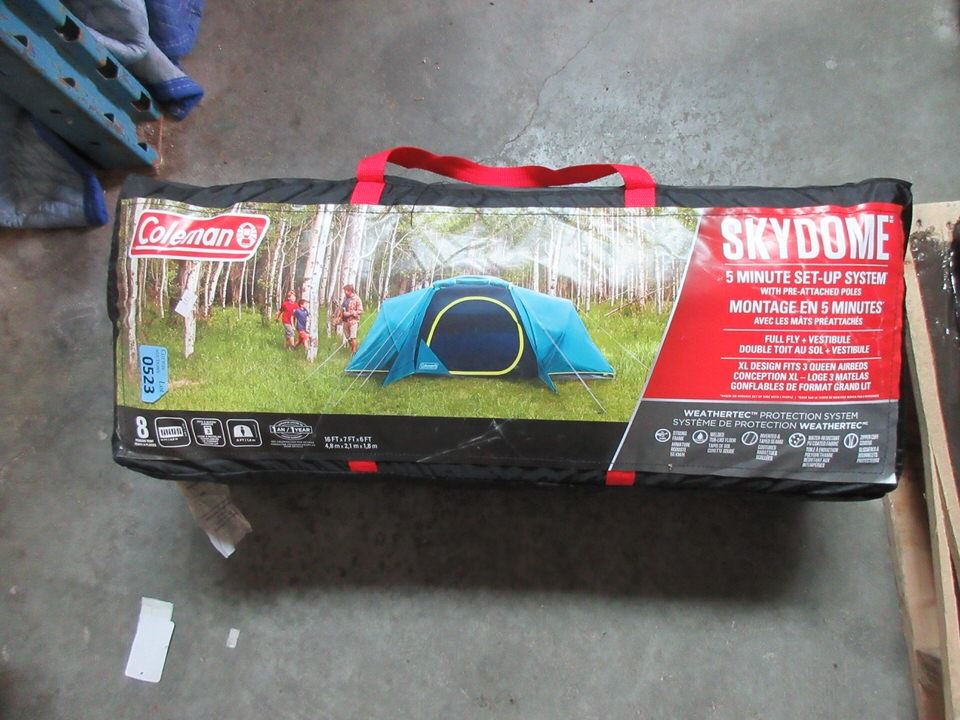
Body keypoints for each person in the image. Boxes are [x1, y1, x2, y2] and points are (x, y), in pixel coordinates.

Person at [339, 284, 363, 354]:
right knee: (348, 338)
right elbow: (342, 307)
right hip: (345, 321)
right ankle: (353, 349)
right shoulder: (345, 298)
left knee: (353, 337)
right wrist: (340, 315)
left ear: (350, 291)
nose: (344, 292)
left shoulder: (357, 299)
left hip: (353, 321)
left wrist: (350, 313)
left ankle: (354, 353)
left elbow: (360, 311)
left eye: (345, 291)